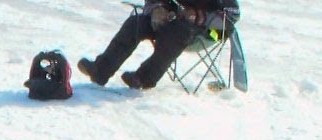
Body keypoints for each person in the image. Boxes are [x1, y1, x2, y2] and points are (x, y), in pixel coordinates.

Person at [76, 0, 240, 90]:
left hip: (206, 33)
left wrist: (199, 17)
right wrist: (156, 9)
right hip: (172, 22)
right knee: (137, 23)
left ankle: (144, 78)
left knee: (177, 31)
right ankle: (100, 70)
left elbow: (233, 16)